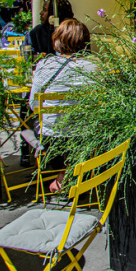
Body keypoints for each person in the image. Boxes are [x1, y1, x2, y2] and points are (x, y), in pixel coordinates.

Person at [28, 18, 94, 191]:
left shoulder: (44, 66)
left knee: (29, 128)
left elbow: (34, 105)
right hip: (86, 139)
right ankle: (72, 177)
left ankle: (63, 177)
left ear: (57, 40)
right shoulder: (95, 67)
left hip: (52, 141)